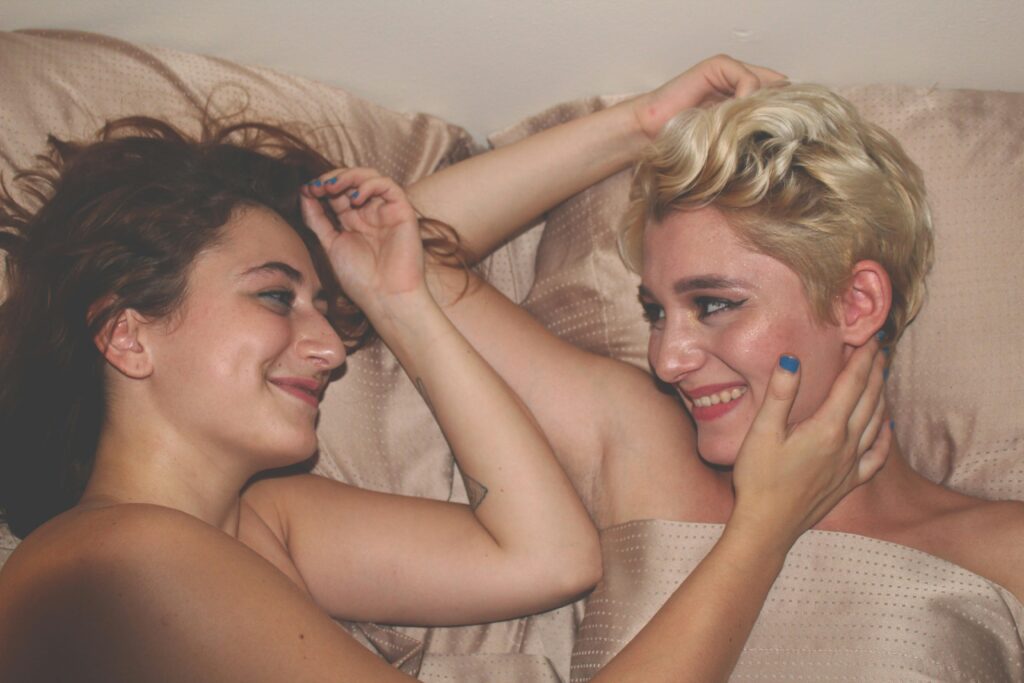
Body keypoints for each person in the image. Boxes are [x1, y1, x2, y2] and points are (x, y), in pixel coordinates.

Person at [0, 60, 886, 682]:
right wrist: (762, 530)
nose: (329, 346)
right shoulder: (118, 555)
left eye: (327, 308)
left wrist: (402, 303)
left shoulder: (258, 523)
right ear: (126, 337)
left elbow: (548, 554)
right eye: (277, 298)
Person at [305, 64, 1024, 680]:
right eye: (656, 311)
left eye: (714, 303)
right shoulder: (646, 451)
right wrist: (642, 126)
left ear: (858, 301)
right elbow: (392, 252)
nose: (667, 357)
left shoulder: (1003, 548)